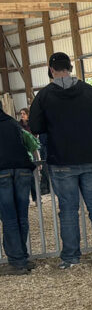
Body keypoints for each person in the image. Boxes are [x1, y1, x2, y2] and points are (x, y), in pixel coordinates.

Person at [28, 52, 92, 269]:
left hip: (61, 160)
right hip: (90, 157)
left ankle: (71, 258)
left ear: (51, 69)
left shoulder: (45, 96)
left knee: (68, 210)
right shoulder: (88, 91)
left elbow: (36, 126)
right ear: (70, 67)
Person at [0, 100, 35, 275]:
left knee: (9, 218)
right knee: (21, 216)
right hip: (23, 170)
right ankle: (23, 257)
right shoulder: (13, 123)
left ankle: (17, 261)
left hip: (2, 172)